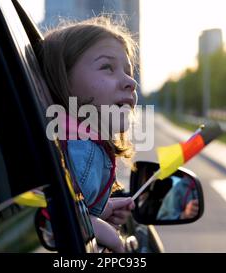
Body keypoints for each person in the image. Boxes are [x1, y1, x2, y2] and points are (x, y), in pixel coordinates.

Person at [39, 16, 138, 252]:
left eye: (128, 71)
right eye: (107, 67)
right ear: (64, 81)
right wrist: (107, 235)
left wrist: (98, 211)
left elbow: (69, 203)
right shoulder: (80, 149)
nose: (130, 82)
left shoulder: (67, 140)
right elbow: (50, 226)